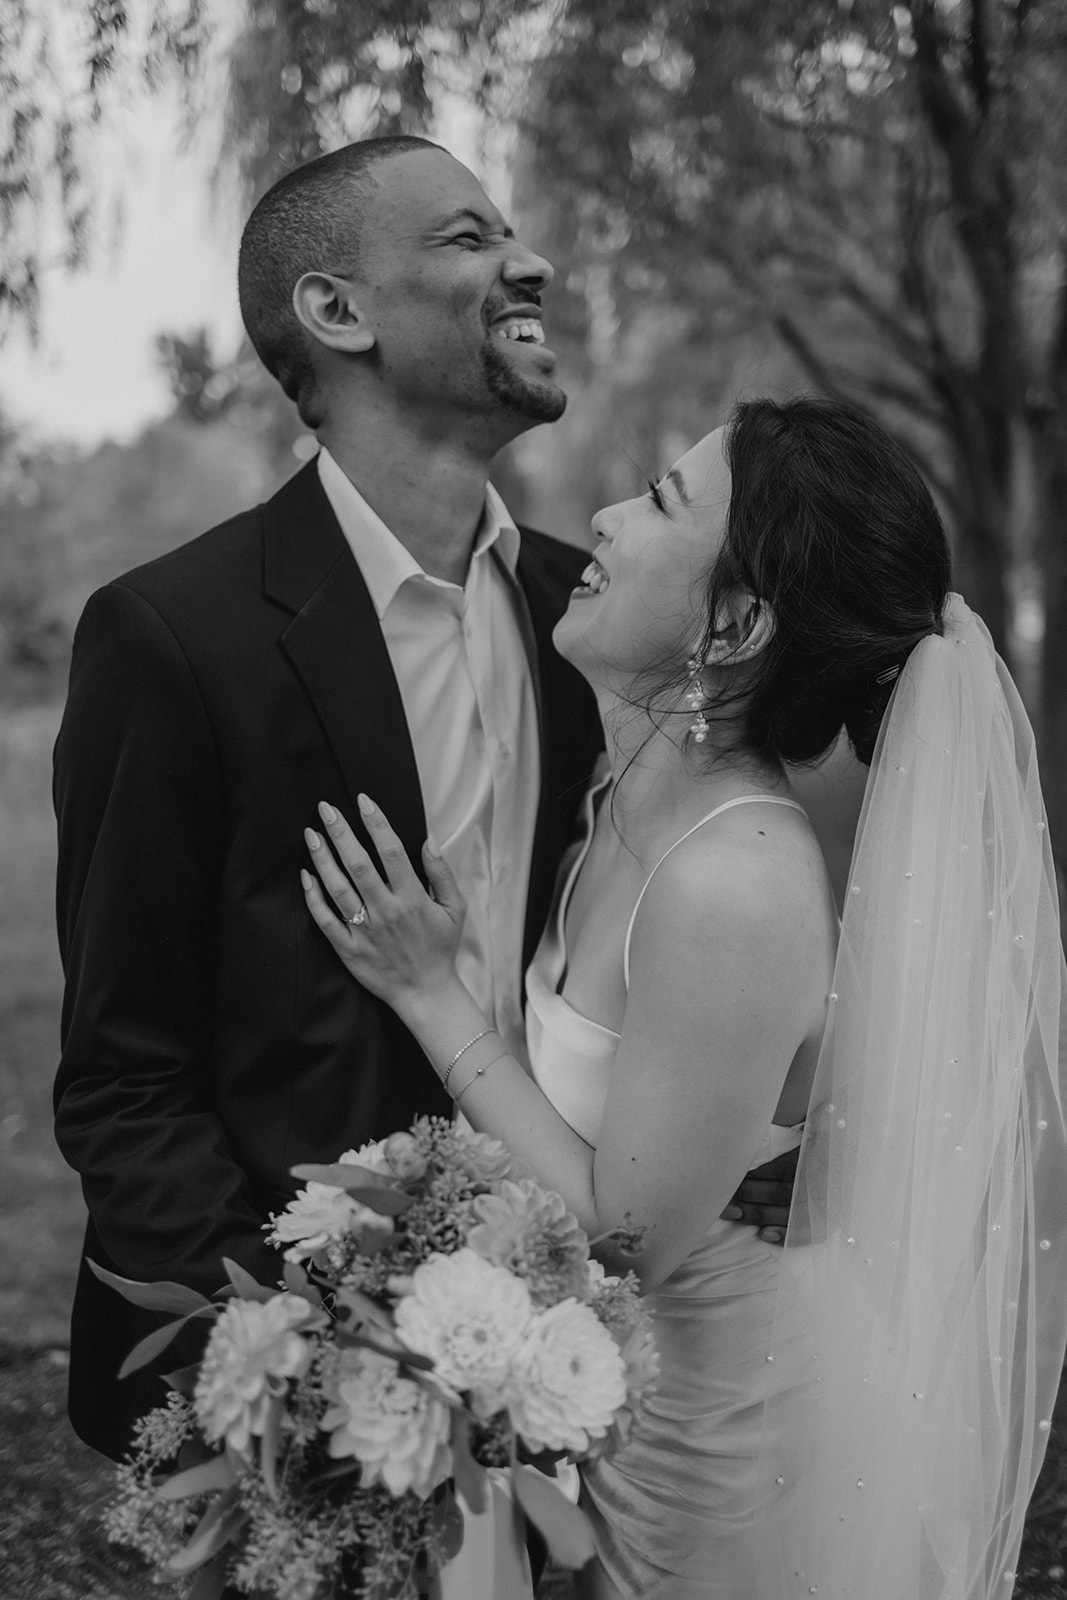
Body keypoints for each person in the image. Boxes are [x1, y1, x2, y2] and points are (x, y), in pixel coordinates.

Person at [52, 135, 786, 1467]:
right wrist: (292, 1360)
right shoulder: (171, 639)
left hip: (563, 1372)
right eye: (463, 238)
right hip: (301, 1404)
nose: (534, 260)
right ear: (334, 312)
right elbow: (124, 1077)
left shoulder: (596, 628)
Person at [300, 396, 1067, 1599]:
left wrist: (427, 989)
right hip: (622, 1398)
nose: (602, 515)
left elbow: (618, 1244)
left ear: (735, 622)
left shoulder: (730, 883)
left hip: (721, 1443)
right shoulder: (619, 787)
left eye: (658, 502)